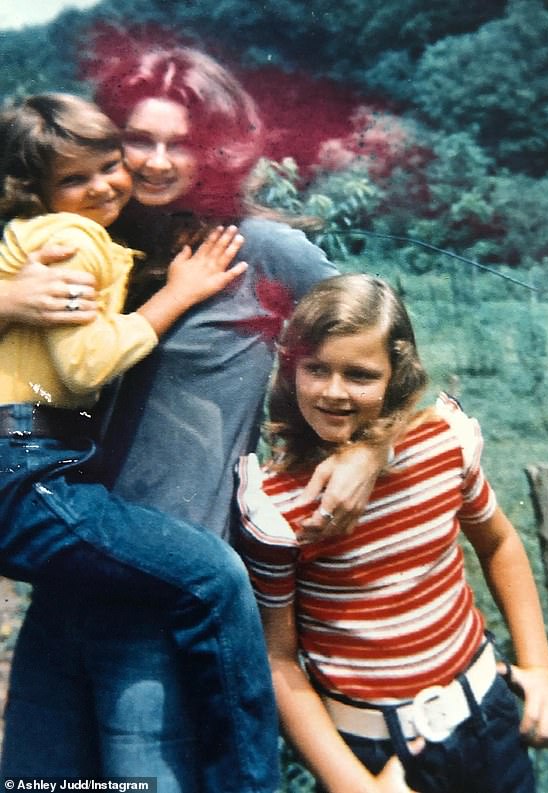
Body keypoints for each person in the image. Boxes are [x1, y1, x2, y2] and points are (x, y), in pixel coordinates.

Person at [1, 40, 385, 788]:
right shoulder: (88, 232)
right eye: (137, 139)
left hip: (160, 593)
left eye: (180, 142)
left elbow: (384, 343)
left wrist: (366, 444)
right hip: (68, 569)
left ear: (218, 146)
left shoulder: (259, 248)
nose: (152, 160)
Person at [0, 92, 279, 793]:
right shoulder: (73, 240)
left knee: (48, 753)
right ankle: (248, 783)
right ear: (39, 190)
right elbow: (83, 366)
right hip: (27, 466)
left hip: (33, 461)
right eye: (76, 178)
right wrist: (176, 295)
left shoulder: (31, 234)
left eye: (106, 165)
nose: (105, 185)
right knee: (213, 576)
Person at [236, 273, 548, 793]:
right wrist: (354, 786)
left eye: (361, 375)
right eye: (316, 369)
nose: (334, 391)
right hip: (373, 754)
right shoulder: (275, 505)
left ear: (397, 375)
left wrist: (540, 667)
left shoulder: (441, 446)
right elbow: (278, 660)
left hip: (489, 718)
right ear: (289, 369)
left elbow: (500, 542)